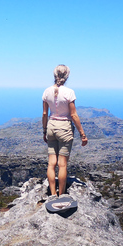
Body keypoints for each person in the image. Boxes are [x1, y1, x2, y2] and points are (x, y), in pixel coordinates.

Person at [42, 64, 88, 198]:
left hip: (51, 126)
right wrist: (82, 134)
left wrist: (44, 131)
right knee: (62, 165)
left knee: (51, 163)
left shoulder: (46, 92)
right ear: (67, 76)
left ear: (54, 75)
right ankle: (61, 195)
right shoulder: (69, 92)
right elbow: (73, 115)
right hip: (65, 128)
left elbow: (45, 113)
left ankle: (52, 193)